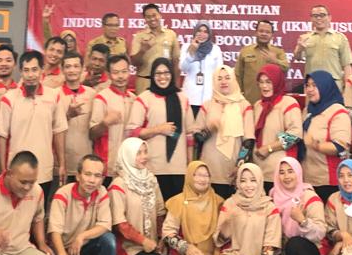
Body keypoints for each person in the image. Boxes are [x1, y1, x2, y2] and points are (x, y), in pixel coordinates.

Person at [109, 139, 181, 255]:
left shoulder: (151, 179)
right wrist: (144, 241)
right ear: (128, 155)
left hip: (153, 246)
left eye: (145, 152)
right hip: (130, 248)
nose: (144, 157)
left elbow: (160, 212)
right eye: (138, 153)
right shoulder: (119, 184)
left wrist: (161, 239)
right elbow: (120, 225)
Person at [0, 49, 68, 203]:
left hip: (44, 169)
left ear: (42, 70)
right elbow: (1, 136)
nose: (30, 75)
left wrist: (62, 164)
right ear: (20, 72)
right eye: (26, 70)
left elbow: (59, 131)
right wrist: (3, 170)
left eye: (34, 70)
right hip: (16, 171)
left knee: (40, 211)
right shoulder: (9, 99)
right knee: (15, 211)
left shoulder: (54, 96)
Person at [48, 154, 120, 255]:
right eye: (87, 174)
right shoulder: (63, 194)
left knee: (109, 240)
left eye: (97, 176)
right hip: (62, 250)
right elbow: (54, 230)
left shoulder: (102, 192)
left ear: (102, 179)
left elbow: (105, 224)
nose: (92, 180)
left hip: (83, 248)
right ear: (78, 176)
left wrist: (81, 237)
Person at [126, 58, 195, 200]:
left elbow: (189, 135)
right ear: (152, 75)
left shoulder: (182, 98)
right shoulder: (144, 98)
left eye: (166, 73)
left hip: (179, 169)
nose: (162, 77)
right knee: (154, 210)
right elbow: (132, 132)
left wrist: (189, 164)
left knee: (176, 210)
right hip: (152, 168)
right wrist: (158, 129)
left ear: (172, 74)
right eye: (158, 73)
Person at [215, 163, 281, 255]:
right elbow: (221, 239)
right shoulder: (231, 203)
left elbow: (270, 243)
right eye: (243, 180)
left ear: (260, 181)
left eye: (253, 180)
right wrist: (227, 224)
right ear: (238, 183)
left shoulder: (269, 207)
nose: (248, 185)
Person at [270, 156, 327, 255]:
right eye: (281, 172)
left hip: (309, 252)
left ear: (298, 173)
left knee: (295, 244)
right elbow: (271, 230)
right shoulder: (273, 196)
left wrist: (302, 220)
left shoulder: (309, 197)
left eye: (290, 171)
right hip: (285, 253)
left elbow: (320, 233)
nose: (286, 176)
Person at [162, 161, 223, 255]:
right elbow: (167, 232)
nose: (202, 179)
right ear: (189, 176)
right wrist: (186, 247)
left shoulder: (218, 202)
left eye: (206, 175)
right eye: (197, 175)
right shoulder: (178, 201)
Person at [192, 66, 255, 199]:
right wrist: (209, 129)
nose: (223, 82)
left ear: (233, 80)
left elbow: (248, 141)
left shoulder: (244, 105)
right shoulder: (207, 105)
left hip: (232, 171)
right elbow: (197, 138)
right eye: (219, 78)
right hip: (209, 170)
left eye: (227, 78)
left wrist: (239, 165)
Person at [301, 71, 352, 203]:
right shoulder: (308, 110)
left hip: (329, 181)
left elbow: (341, 146)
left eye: (314, 85)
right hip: (308, 178)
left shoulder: (338, 111)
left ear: (325, 86)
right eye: (307, 85)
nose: (310, 89)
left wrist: (316, 145)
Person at [252, 64, 303, 187]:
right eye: (261, 82)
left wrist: (269, 148)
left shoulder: (288, 103)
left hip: (281, 172)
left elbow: (295, 135)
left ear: (277, 82)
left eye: (268, 82)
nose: (264, 86)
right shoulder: (258, 105)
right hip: (259, 172)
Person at [90, 53, 137, 178]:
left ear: (129, 72)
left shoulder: (134, 99)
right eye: (116, 72)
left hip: (129, 165)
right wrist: (104, 123)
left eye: (124, 71)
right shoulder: (101, 98)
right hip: (106, 166)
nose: (120, 76)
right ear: (109, 74)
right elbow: (92, 134)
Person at [293, 4, 352, 91]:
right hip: (312, 85)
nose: (318, 18)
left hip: (333, 84)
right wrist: (299, 48)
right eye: (315, 16)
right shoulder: (305, 37)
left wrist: (348, 89)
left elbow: (347, 65)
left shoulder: (340, 38)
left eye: (322, 15)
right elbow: (297, 58)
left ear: (329, 17)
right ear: (311, 19)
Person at [234, 20, 289, 106]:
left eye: (267, 32)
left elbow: (286, 68)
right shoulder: (245, 51)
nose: (264, 34)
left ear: (272, 35)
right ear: (256, 32)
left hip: (272, 103)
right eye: (261, 31)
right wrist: (239, 96)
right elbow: (238, 75)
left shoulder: (278, 52)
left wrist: (274, 61)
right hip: (249, 102)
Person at [59, 51, 96, 177]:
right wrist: (68, 115)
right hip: (62, 162)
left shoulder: (92, 94)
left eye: (76, 66)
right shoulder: (54, 95)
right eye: (68, 66)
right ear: (62, 70)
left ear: (82, 68)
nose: (72, 70)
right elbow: (49, 128)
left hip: (86, 160)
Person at [131, 3, 180, 94]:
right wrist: (143, 50)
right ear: (145, 19)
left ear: (160, 15)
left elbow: (176, 61)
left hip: (165, 82)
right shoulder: (139, 36)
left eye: (154, 15)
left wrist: (176, 85)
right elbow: (134, 62)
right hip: (145, 82)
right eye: (148, 17)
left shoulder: (171, 34)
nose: (152, 19)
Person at [179, 22, 224, 113]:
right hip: (191, 96)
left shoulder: (215, 49)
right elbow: (183, 68)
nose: (202, 34)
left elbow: (219, 73)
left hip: (209, 97)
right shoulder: (187, 47)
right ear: (195, 32)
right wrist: (192, 52)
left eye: (205, 32)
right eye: (199, 31)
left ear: (209, 34)